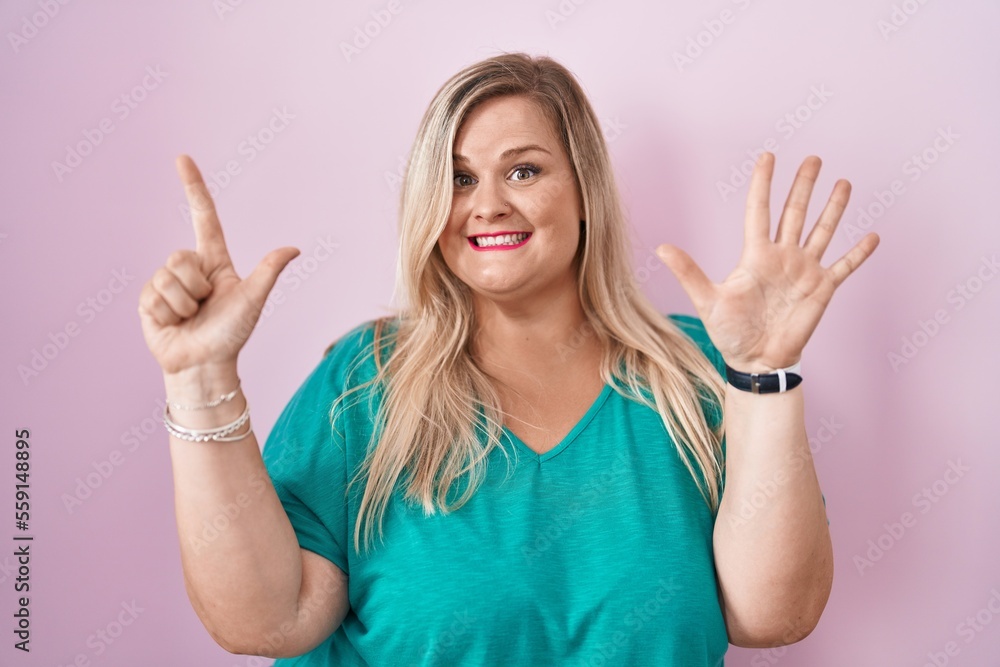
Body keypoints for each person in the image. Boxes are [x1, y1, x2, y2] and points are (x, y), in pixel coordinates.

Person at [137, 53, 879, 665]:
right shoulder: (363, 384)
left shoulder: (700, 374)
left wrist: (764, 374)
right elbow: (270, 621)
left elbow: (773, 614)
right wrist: (199, 379)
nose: (485, 204)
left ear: (585, 191)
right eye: (459, 178)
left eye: (522, 170)